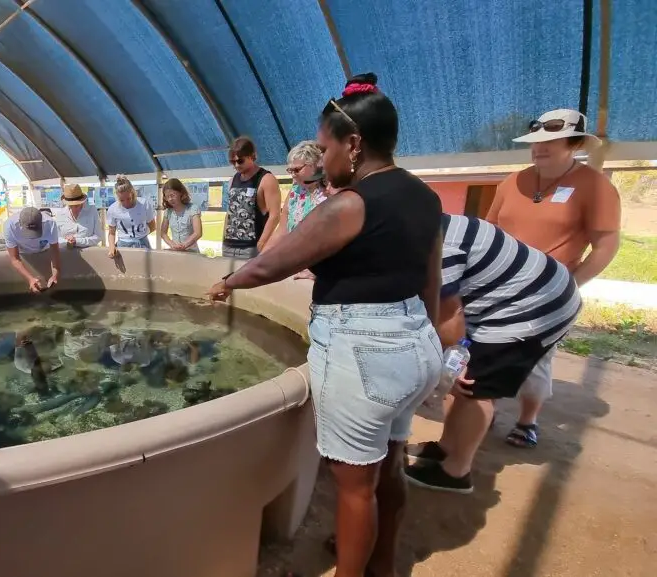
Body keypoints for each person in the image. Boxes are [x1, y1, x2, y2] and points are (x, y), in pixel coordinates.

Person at [206, 74, 443, 577]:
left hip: (362, 351)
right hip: (415, 343)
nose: (322, 158)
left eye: (325, 146)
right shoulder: (426, 198)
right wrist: (434, 350)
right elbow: (432, 281)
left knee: (354, 488)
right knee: (390, 464)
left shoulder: (350, 204)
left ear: (353, 145)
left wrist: (229, 282)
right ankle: (381, 564)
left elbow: (276, 262)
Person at [406, 214, 581, 493]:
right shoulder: (429, 224)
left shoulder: (436, 248)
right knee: (459, 382)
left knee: (476, 385)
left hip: (534, 307)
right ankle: (446, 448)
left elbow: (449, 314)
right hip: (512, 296)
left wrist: (454, 356)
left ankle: (456, 471)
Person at [485, 108, 620, 449]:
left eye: (551, 141)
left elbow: (606, 245)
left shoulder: (596, 186)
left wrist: (570, 285)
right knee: (484, 352)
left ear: (574, 144)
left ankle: (527, 420)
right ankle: (485, 411)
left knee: (535, 359)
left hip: (547, 294)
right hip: (498, 287)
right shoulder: (512, 181)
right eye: (536, 142)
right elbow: (489, 231)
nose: (540, 148)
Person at [267, 140, 334, 279]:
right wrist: (262, 259)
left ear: (316, 165)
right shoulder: (295, 191)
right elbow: (282, 230)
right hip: (296, 264)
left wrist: (317, 271)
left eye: (297, 170)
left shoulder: (331, 191)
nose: (293, 174)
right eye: (290, 170)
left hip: (322, 269)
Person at [221, 136, 281, 259]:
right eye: (233, 162)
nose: (236, 165)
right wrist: (223, 239)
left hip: (252, 247)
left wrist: (262, 243)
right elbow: (230, 212)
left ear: (252, 156)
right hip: (228, 245)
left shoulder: (266, 179)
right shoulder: (232, 180)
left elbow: (274, 216)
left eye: (240, 161)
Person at [4, 206, 61, 293]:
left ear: (41, 222)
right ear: (19, 223)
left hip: (44, 248)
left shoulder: (50, 223)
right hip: (22, 250)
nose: (32, 238)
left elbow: (54, 251)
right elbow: (15, 259)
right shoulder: (9, 226)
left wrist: (55, 274)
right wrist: (30, 279)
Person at [106, 175, 155, 257]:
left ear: (132, 193)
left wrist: (141, 235)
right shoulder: (112, 209)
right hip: (122, 246)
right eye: (122, 200)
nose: (126, 203)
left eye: (129, 198)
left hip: (142, 244)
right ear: (117, 196)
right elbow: (111, 232)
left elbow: (153, 226)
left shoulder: (144, 204)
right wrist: (111, 247)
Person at [159, 178, 202, 252]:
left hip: (191, 251)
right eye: (167, 196)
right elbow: (163, 233)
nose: (170, 199)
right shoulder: (168, 211)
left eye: (172, 195)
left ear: (181, 193)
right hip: (175, 251)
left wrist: (184, 245)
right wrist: (172, 244)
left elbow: (198, 233)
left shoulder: (193, 208)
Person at [52, 184, 100, 248]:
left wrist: (77, 241)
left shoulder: (92, 210)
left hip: (89, 255)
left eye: (77, 205)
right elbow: (56, 239)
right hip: (66, 255)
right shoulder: (60, 214)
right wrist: (66, 242)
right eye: (71, 206)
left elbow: (98, 237)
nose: (74, 208)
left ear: (82, 201)